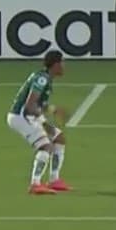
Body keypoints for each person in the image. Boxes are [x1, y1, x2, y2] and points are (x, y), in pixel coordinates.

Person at [6, 49, 70, 195]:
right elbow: (30, 105)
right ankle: (35, 184)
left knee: (59, 138)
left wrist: (54, 110)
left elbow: (39, 104)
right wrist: (44, 123)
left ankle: (54, 180)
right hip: (20, 117)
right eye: (62, 63)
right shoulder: (42, 79)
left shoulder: (45, 77)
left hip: (28, 116)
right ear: (56, 65)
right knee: (45, 146)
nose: (64, 66)